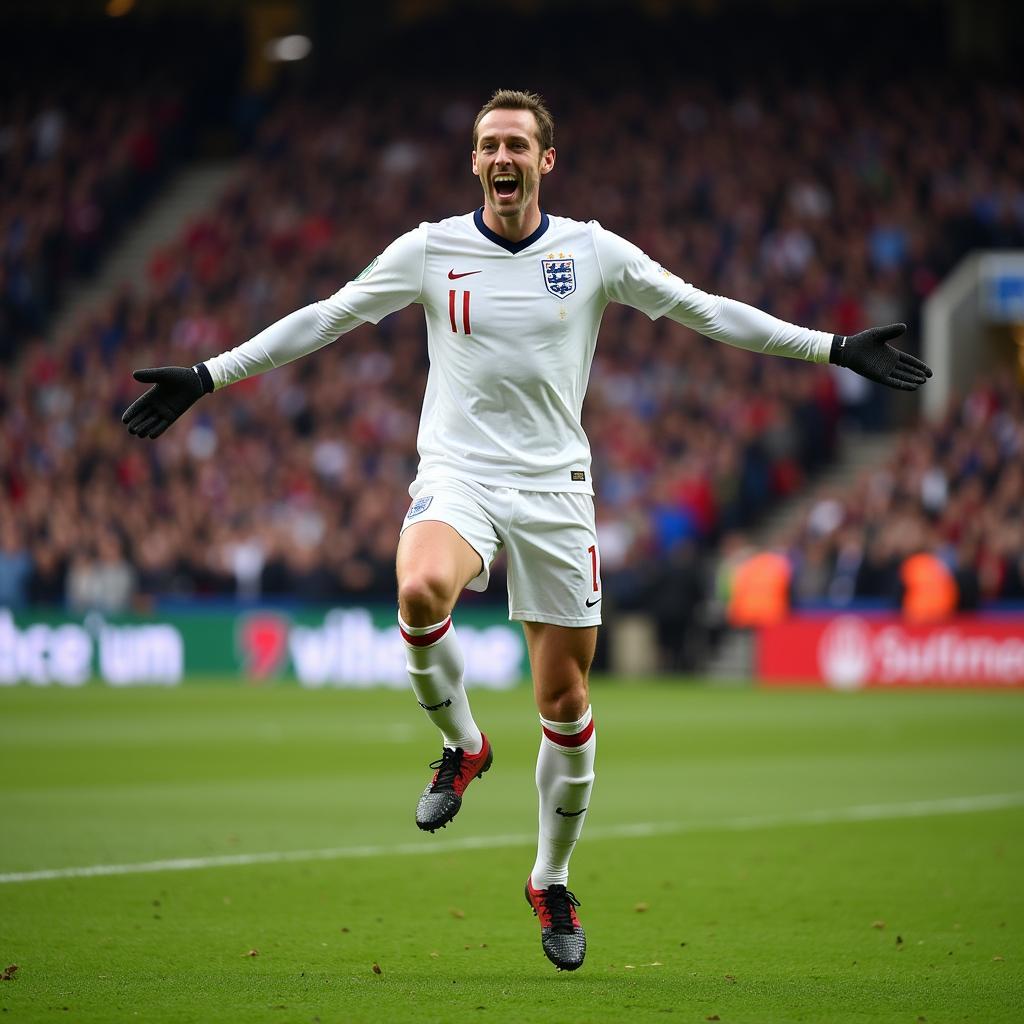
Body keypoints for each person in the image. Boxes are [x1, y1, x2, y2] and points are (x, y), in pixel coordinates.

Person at [122, 88, 932, 971]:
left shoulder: (592, 252)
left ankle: (549, 879)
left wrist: (832, 348)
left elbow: (705, 310)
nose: (500, 157)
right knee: (419, 587)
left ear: (546, 160)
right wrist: (208, 374)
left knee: (567, 705)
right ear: (473, 161)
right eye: (486, 145)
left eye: (516, 143)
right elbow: (326, 317)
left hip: (556, 493)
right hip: (459, 476)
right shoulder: (431, 250)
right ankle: (463, 745)